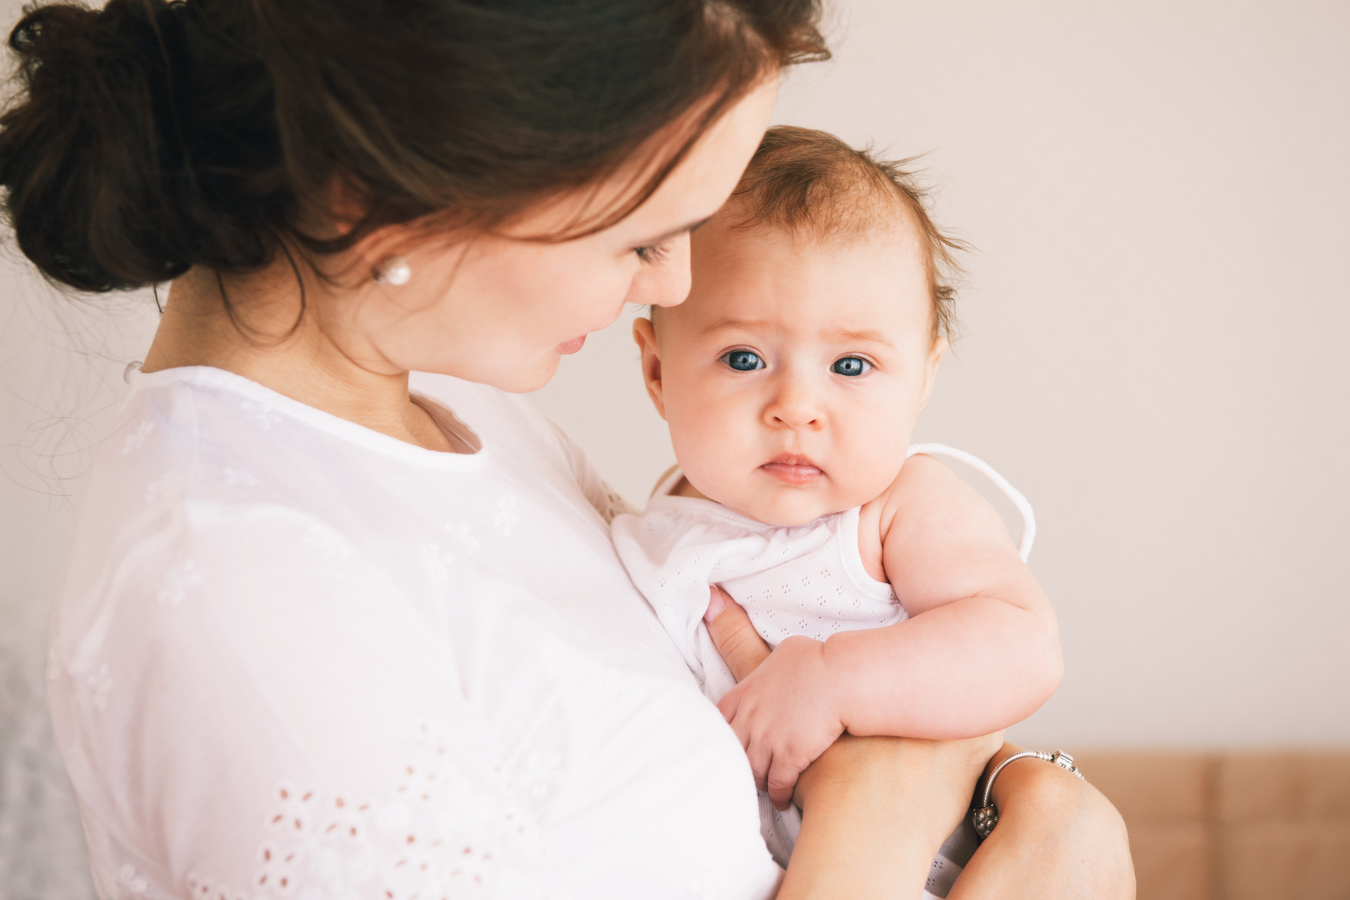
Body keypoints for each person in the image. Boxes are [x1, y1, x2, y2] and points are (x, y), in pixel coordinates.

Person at [0, 0, 1133, 897]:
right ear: (384, 191)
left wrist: (1023, 801)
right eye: (644, 234)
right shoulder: (239, 592)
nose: (677, 285)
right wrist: (895, 820)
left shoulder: (481, 429)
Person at [614, 125, 1062, 885]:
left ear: (922, 378)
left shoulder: (896, 510)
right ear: (658, 372)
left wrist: (834, 677)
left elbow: (1024, 646)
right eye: (744, 358)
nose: (796, 406)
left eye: (851, 365)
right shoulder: (665, 514)